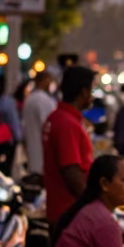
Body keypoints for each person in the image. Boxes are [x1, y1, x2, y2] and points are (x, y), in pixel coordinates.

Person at [42, 65, 95, 230]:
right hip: (69, 214)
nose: (92, 96)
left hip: (62, 211)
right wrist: (94, 208)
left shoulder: (57, 117)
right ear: (83, 92)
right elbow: (72, 173)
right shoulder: (67, 123)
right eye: (91, 90)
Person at [23, 69, 56, 175]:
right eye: (49, 80)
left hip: (32, 149)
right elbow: (48, 126)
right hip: (43, 153)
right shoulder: (43, 100)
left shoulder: (30, 99)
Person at [0, 74, 23, 175]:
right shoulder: (8, 101)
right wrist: (18, 136)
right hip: (8, 138)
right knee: (7, 166)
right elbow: (13, 120)